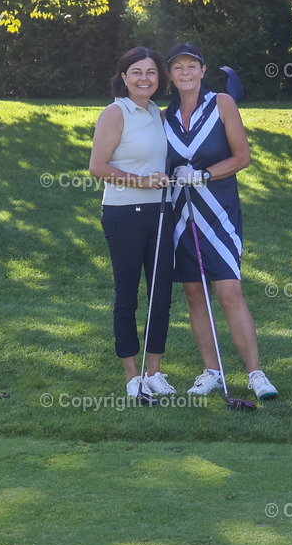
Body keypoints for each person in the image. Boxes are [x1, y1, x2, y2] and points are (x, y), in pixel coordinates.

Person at [163, 43, 278, 400]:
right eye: (178, 67)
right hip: (180, 216)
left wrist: (205, 175)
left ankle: (256, 374)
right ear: (170, 75)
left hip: (219, 213)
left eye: (191, 66)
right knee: (194, 293)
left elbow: (242, 156)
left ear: (202, 70)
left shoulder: (221, 104)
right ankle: (211, 371)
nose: (185, 72)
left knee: (229, 292)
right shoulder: (163, 116)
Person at [89, 47, 176, 399]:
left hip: (161, 212)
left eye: (151, 72)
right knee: (127, 296)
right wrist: (143, 181)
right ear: (123, 77)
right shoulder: (115, 112)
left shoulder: (157, 112)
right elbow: (98, 167)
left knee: (162, 295)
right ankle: (132, 377)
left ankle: (153, 372)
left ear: (159, 78)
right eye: (136, 72)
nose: (144, 78)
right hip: (124, 214)